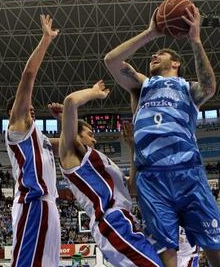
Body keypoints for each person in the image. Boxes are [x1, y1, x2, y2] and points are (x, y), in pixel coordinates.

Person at [104, 4, 220, 267]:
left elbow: (209, 86)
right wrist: (151, 33)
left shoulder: (187, 88)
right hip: (153, 180)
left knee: (218, 253)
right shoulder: (141, 86)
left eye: (160, 53)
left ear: (175, 63)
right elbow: (111, 61)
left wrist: (195, 39)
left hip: (188, 174)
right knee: (166, 258)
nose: (153, 54)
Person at [58, 80, 164, 267]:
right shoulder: (74, 157)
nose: (95, 139)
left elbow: (131, 188)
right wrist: (94, 92)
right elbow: (70, 102)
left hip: (125, 218)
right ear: (76, 135)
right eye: (90, 134)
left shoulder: (104, 163)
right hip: (111, 220)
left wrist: (132, 147)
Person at [5, 15, 60, 267]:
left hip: (50, 205)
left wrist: (64, 118)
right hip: (32, 203)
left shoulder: (41, 137)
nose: (31, 110)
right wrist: (46, 40)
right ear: (15, 113)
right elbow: (28, 75)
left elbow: (69, 144)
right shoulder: (18, 129)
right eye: (27, 108)